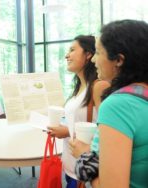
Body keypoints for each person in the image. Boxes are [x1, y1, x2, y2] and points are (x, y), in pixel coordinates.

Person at [84, 20, 148, 188]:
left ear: (119, 60)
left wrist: (84, 159)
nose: (93, 60)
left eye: (98, 52)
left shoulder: (119, 105)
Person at [48, 35, 109, 188]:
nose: (66, 55)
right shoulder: (79, 88)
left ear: (88, 54)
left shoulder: (99, 86)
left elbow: (108, 132)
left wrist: (68, 132)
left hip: (85, 170)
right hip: (71, 165)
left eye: (72, 50)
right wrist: (66, 129)